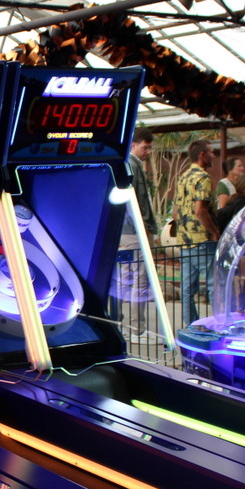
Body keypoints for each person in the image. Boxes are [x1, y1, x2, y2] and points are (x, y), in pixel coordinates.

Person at [115, 127, 158, 340]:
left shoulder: (127, 164)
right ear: (134, 145)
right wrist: (146, 227)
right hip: (134, 231)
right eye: (145, 147)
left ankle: (120, 325)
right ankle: (137, 329)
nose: (148, 152)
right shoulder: (132, 165)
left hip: (125, 231)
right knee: (139, 279)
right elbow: (137, 202)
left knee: (125, 278)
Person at [172, 138, 220, 325]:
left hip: (185, 240)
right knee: (214, 284)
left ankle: (191, 325)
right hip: (202, 239)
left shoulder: (183, 176)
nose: (214, 156)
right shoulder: (203, 177)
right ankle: (220, 324)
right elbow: (201, 210)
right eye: (211, 152)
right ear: (202, 155)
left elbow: (175, 211)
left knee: (186, 288)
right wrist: (214, 231)